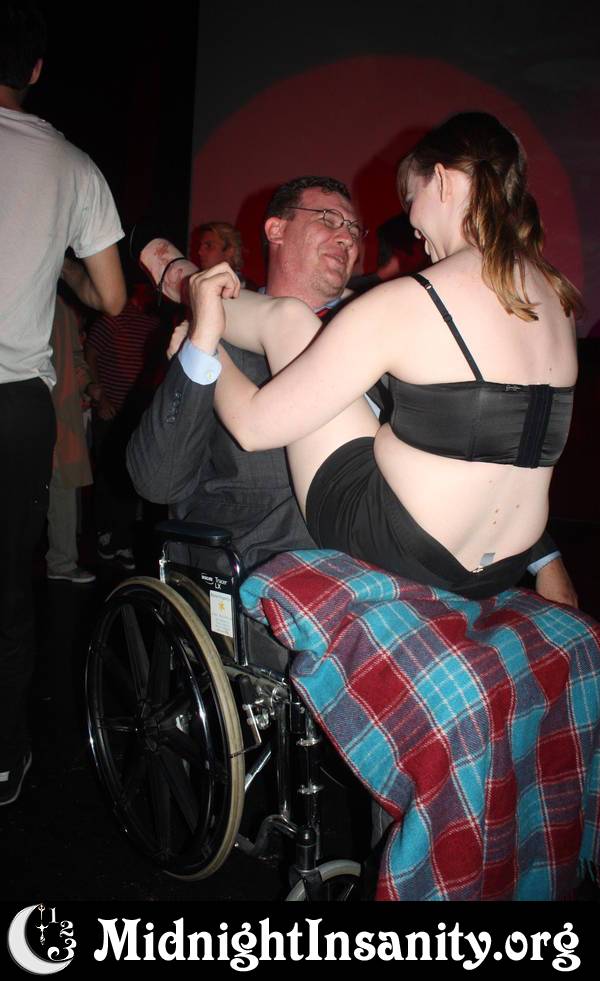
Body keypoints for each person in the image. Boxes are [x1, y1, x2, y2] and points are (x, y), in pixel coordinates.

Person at [185, 113, 580, 600]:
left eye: (411, 201)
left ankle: (196, 293)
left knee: (288, 318)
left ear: (442, 180)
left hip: (404, 548)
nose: (413, 228)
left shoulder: (414, 300)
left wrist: (205, 341)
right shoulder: (558, 298)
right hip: (502, 566)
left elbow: (251, 427)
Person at [0, 1, 125, 806]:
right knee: (10, 586)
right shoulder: (72, 165)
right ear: (37, 69)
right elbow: (111, 296)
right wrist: (62, 270)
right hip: (14, 403)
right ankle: (3, 755)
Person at [86, 283, 162, 570]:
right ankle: (106, 534)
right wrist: (101, 397)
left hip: (136, 415)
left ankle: (123, 539)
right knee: (109, 475)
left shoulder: (152, 325)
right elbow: (90, 354)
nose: (151, 294)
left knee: (130, 475)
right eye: (146, 289)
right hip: (110, 410)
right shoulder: (110, 320)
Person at [46, 294, 98, 584]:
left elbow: (75, 356)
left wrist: (87, 384)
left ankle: (62, 561)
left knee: (63, 486)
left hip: (59, 412)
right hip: (19, 406)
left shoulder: (62, 308)